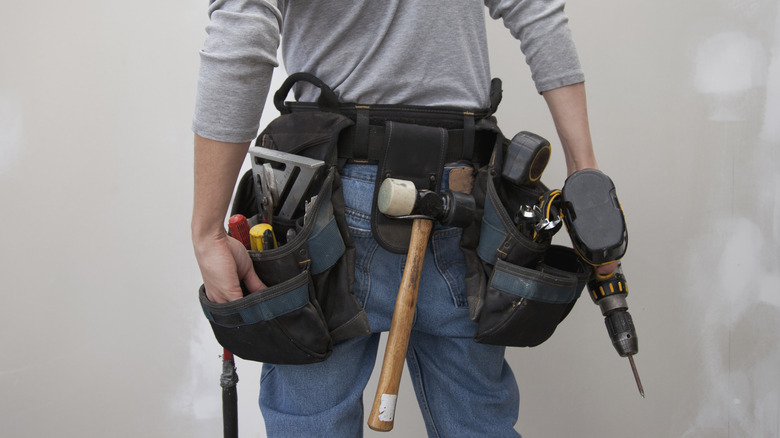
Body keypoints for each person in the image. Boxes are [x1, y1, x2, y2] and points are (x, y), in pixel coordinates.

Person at [192, 1, 616, 436]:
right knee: (477, 423)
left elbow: (243, 27)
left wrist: (208, 232)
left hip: (328, 196)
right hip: (460, 189)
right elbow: (536, 10)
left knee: (311, 420)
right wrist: (587, 184)